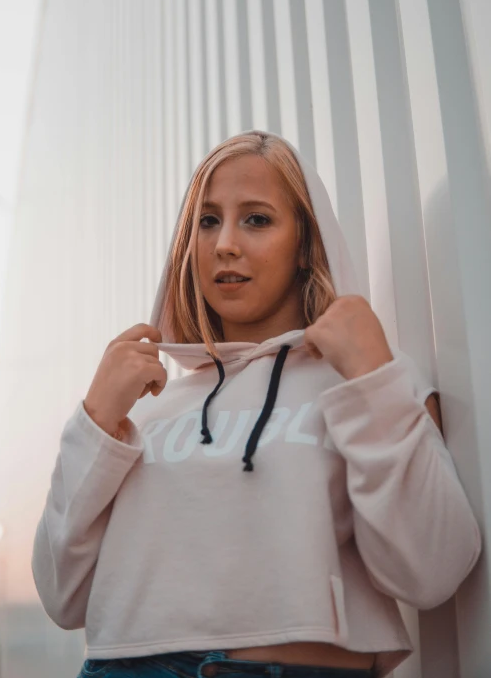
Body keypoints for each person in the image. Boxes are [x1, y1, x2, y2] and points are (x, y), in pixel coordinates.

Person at [32, 130, 481, 678]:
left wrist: (373, 380)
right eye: (207, 220)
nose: (224, 244)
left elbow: (432, 571)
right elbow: (62, 596)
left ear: (305, 244)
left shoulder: (368, 381)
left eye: (257, 219)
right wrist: (95, 422)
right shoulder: (146, 412)